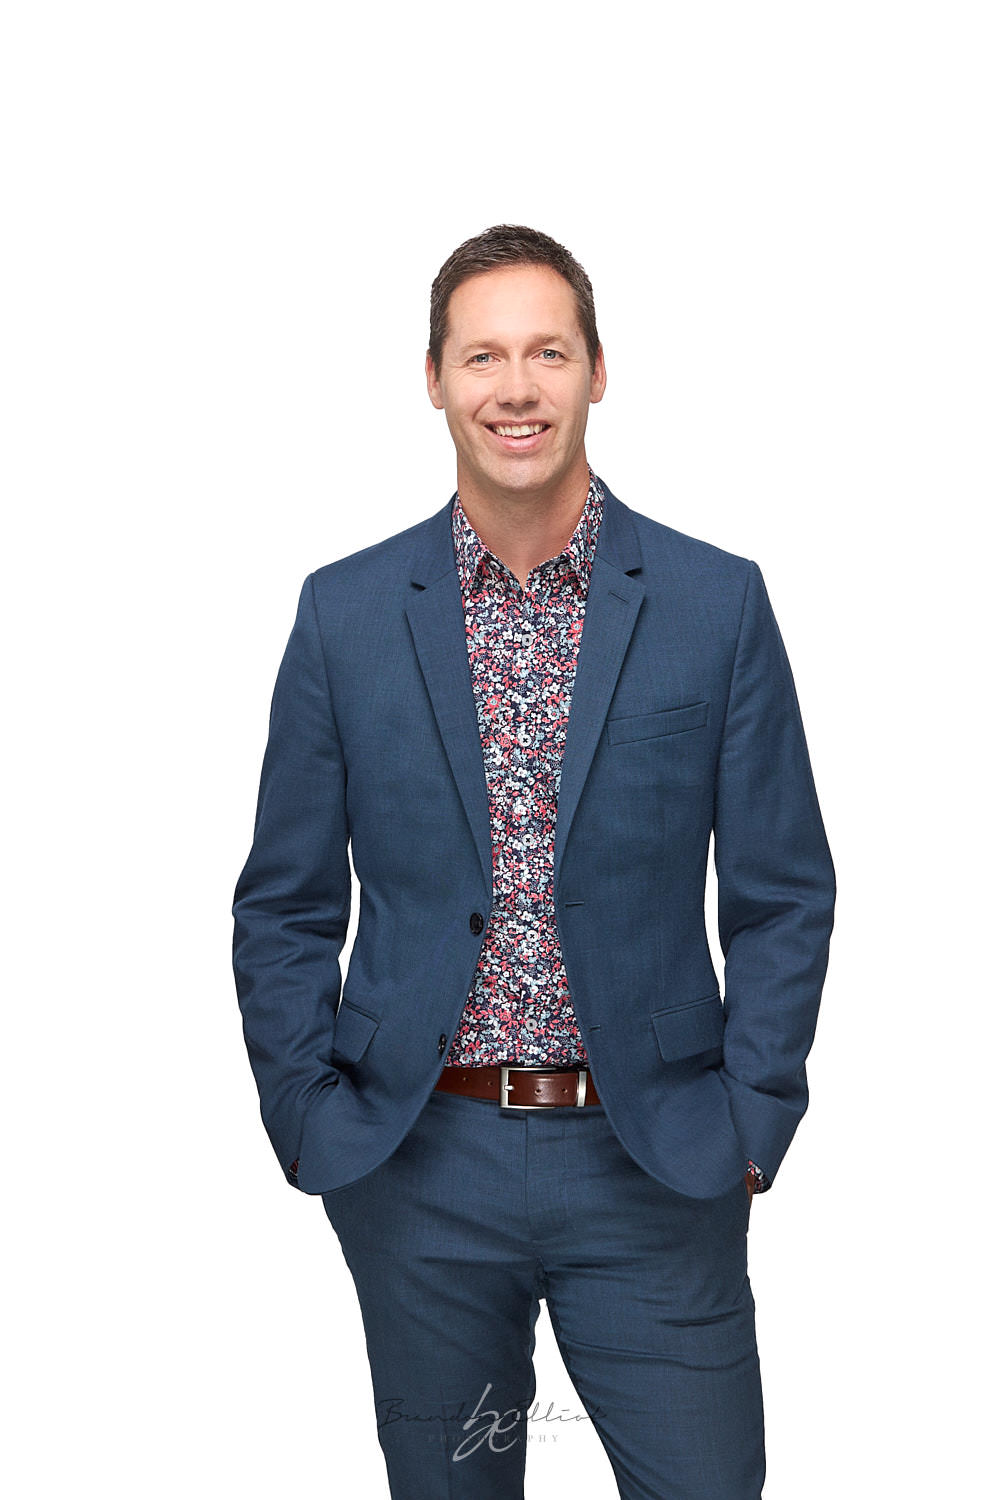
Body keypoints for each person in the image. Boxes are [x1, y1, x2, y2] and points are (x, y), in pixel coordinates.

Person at [232, 224, 836, 1499]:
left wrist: (750, 1118)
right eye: (483, 356)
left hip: (654, 1158)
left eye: (548, 352)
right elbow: (284, 901)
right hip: (420, 1165)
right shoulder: (344, 613)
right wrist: (306, 1115)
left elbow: (783, 891)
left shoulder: (714, 603)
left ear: (597, 370)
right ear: (435, 380)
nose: (517, 388)